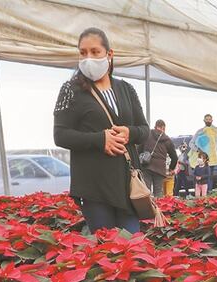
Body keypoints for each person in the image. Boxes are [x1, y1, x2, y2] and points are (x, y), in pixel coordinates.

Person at [53, 27, 150, 233]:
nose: (88, 58)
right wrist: (100, 139)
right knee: (105, 246)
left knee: (132, 244)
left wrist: (129, 132)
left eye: (95, 52)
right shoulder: (71, 90)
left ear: (109, 54)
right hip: (94, 187)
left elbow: (144, 130)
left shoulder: (126, 89)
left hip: (127, 185)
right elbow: (60, 135)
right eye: (83, 53)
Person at [139, 119, 177, 198]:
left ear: (155, 126)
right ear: (164, 128)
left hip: (146, 166)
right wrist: (171, 168)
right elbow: (174, 157)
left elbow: (139, 150)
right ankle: (159, 205)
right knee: (158, 192)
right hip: (159, 168)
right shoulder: (167, 140)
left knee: (146, 191)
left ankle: (148, 205)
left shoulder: (147, 135)